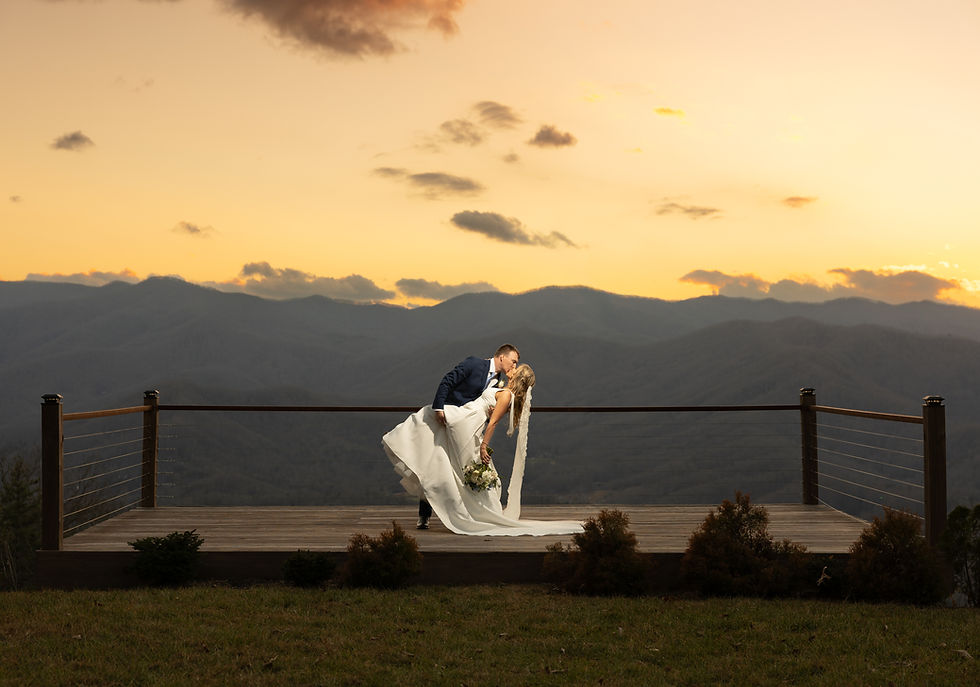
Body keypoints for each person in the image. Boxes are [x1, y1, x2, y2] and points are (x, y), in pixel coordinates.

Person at [382, 356, 583, 537]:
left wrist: (484, 446)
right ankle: (447, 507)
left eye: (516, 366)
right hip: (469, 415)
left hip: (469, 420)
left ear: (519, 375)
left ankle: (467, 510)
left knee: (429, 425)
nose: (513, 367)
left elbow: (493, 422)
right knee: (440, 450)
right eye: (514, 362)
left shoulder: (505, 396)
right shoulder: (501, 386)